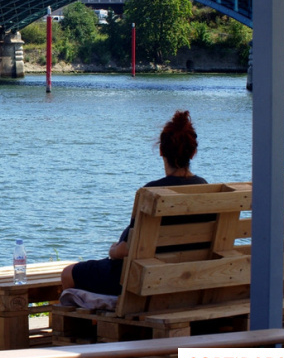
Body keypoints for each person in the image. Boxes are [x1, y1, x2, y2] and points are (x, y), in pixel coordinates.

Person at [60, 110, 208, 296]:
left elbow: (128, 248)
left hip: (137, 280)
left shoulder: (152, 193)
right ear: (193, 153)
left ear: (161, 151)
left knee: (68, 274)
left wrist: (113, 251)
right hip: (185, 278)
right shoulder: (205, 189)